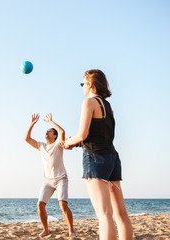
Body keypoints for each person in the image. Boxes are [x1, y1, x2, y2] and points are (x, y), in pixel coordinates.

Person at [63, 69, 133, 239]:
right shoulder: (108, 106)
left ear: (90, 84)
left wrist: (68, 142)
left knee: (104, 215)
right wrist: (79, 141)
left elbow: (82, 135)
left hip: (95, 157)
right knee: (121, 213)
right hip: (112, 158)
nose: (82, 87)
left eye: (83, 84)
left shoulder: (89, 103)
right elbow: (97, 134)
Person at [25, 113, 76, 238]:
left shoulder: (58, 144)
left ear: (54, 136)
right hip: (47, 181)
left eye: (49, 131)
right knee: (40, 204)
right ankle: (46, 229)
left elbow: (62, 131)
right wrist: (32, 124)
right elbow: (27, 139)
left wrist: (51, 122)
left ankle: (71, 230)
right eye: (46, 131)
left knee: (62, 204)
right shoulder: (41, 146)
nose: (46, 133)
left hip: (61, 179)